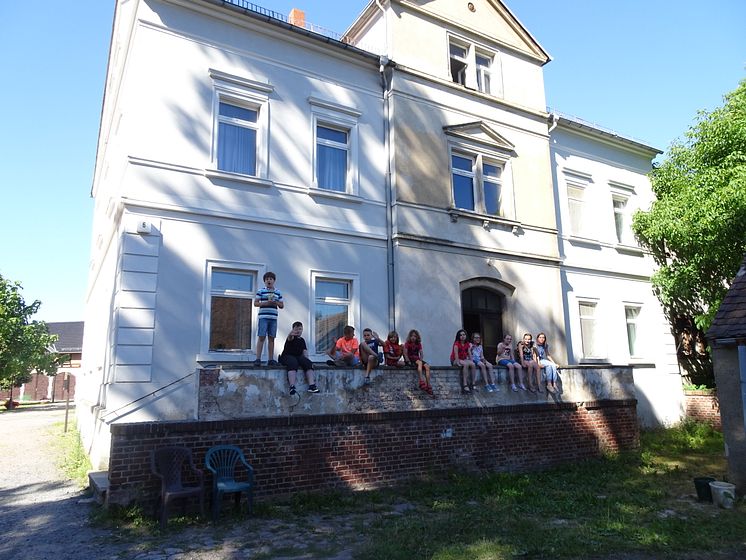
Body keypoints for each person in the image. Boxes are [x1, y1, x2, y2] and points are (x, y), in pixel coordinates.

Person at [279, 321, 318, 394]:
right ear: (293, 329)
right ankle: (292, 387)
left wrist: (308, 361)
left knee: (308, 363)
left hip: (298, 356)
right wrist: (291, 334)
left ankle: (312, 386)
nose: (298, 331)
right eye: (296, 329)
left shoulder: (302, 340)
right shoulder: (291, 337)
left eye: (300, 329)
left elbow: (305, 352)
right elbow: (290, 337)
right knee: (293, 363)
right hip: (287, 356)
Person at [253, 271, 284, 366]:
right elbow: (255, 303)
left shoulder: (278, 292)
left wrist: (275, 303)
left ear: (274, 281)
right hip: (263, 317)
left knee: (271, 338)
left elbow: (282, 305)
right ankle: (258, 359)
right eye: (267, 279)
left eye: (270, 279)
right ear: (264, 281)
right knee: (261, 337)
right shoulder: (261, 291)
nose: (268, 281)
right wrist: (265, 303)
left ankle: (270, 359)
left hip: (273, 318)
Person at [404, 329, 432, 395]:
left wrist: (421, 359)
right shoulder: (407, 343)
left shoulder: (418, 344)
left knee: (427, 366)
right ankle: (421, 381)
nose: (413, 337)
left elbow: (421, 353)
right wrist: (407, 360)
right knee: (419, 363)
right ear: (409, 337)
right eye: (412, 336)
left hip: (417, 359)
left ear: (417, 337)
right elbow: (405, 352)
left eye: (415, 336)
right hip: (411, 359)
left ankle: (428, 384)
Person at [450, 329, 476, 393]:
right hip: (455, 359)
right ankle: (465, 384)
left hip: (463, 359)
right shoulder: (456, 344)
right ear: (458, 336)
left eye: (464, 335)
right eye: (461, 335)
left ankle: (473, 383)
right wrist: (458, 363)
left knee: (473, 364)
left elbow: (469, 353)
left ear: (466, 336)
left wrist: (471, 361)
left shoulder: (467, 344)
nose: (462, 336)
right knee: (466, 364)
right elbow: (456, 355)